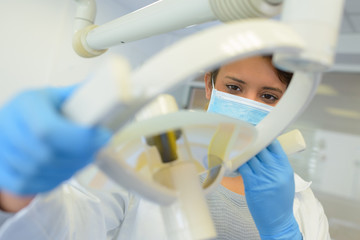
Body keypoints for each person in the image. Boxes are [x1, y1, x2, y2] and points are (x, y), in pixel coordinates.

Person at [0, 56, 330, 240]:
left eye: (269, 96)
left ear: (288, 105)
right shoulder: (151, 154)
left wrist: (284, 232)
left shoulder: (300, 202)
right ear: (209, 84)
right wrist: (19, 194)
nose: (248, 104)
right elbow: (70, 228)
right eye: (234, 87)